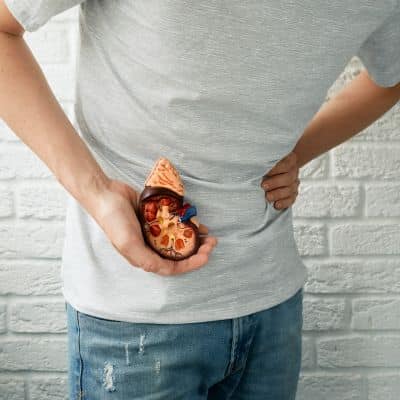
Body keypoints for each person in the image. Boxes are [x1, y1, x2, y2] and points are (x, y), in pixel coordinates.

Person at [1, 1, 399, 399]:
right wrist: (96, 192)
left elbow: (391, 78)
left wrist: (299, 152)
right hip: (134, 314)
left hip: (271, 303)